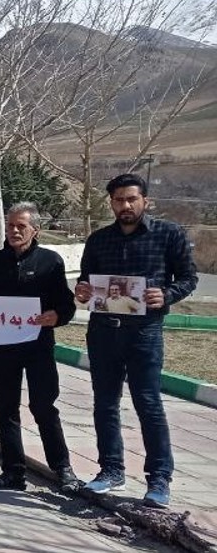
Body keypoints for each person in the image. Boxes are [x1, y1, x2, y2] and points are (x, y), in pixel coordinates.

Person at [74, 173, 198, 508]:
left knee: (148, 404)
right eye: (119, 200)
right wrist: (83, 290)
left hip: (144, 333)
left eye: (131, 199)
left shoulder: (168, 234)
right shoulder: (99, 240)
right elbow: (86, 281)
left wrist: (166, 294)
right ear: (111, 203)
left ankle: (159, 479)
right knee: (105, 403)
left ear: (145, 200)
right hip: (103, 332)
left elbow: (189, 277)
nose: (125, 205)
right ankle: (111, 470)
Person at [0, 202, 84, 494]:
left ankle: (63, 468)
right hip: (3, 347)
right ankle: (13, 471)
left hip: (38, 347)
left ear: (35, 230)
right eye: (10, 225)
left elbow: (65, 305)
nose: (14, 231)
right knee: (5, 410)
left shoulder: (51, 262)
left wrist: (57, 316)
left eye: (21, 226)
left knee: (43, 407)